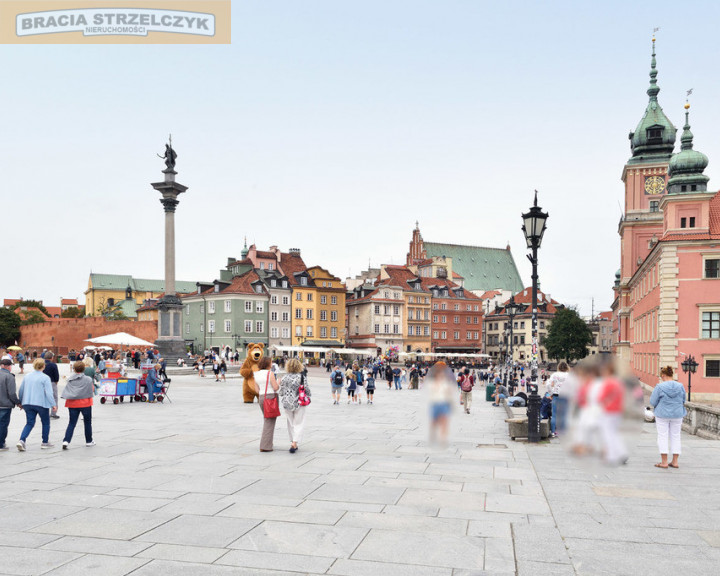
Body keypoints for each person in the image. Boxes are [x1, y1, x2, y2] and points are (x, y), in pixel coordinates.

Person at [650, 366, 687, 469]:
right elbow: (683, 400)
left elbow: (652, 402)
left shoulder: (659, 387)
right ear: (672, 375)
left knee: (663, 436)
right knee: (676, 436)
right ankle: (675, 461)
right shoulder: (680, 386)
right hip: (677, 414)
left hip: (662, 414)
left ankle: (664, 462)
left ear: (663, 375)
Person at [16, 358, 57, 451]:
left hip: (27, 402)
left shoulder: (27, 376)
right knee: (45, 422)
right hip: (41, 403)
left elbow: (21, 390)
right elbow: (49, 393)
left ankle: (22, 440)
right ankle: (45, 442)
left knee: (29, 423)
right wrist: (53, 404)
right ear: (43, 366)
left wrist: (21, 401)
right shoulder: (45, 378)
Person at [279, 358, 311, 453]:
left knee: (290, 423)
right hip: (299, 402)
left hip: (287, 403)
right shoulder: (301, 377)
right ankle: (295, 442)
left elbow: (281, 392)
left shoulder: (284, 378)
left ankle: (292, 441)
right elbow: (307, 390)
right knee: (299, 422)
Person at [61, 361, 95, 449]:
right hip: (85, 403)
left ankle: (66, 441)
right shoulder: (88, 379)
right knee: (87, 422)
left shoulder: (70, 379)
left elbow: (67, 390)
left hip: (72, 403)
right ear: (84, 369)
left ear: (74, 369)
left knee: (72, 423)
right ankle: (89, 441)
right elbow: (92, 389)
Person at [255, 357, 279, 452]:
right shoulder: (270, 373)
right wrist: (279, 382)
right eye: (271, 362)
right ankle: (265, 445)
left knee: (267, 419)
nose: (272, 363)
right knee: (269, 422)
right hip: (270, 397)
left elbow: (257, 390)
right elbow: (275, 387)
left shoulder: (255, 374)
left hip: (261, 397)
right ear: (268, 364)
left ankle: (268, 443)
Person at [0, 358, 20, 450]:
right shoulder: (9, 377)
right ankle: (1, 444)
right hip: (5, 405)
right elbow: (12, 393)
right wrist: (18, 402)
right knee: (3, 424)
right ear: (8, 367)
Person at [546, 361, 570, 437]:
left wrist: (551, 393)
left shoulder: (554, 375)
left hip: (556, 395)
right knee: (564, 414)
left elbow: (548, 384)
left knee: (554, 414)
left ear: (558, 367)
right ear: (567, 367)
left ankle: (553, 431)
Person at [43, 352, 61, 420]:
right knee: (54, 397)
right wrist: (56, 382)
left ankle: (45, 413)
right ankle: (53, 412)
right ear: (51, 358)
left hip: (43, 383)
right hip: (52, 382)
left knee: (44, 397)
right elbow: (56, 375)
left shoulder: (42, 364)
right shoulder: (53, 365)